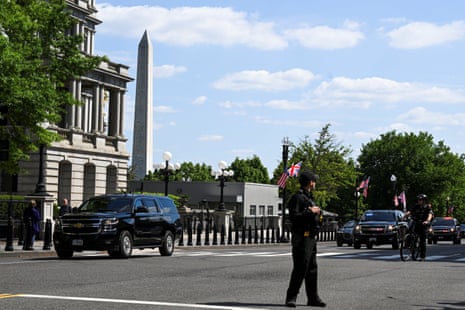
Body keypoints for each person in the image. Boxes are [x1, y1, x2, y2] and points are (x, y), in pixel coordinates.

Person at [285, 171, 326, 308]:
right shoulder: (297, 198)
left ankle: (313, 298)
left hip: (311, 237)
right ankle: (291, 297)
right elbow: (293, 217)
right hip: (302, 237)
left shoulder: (309, 198)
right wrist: (310, 212)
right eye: (314, 181)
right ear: (310, 182)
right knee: (300, 268)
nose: (315, 183)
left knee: (312, 269)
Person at [403, 194, 433, 261]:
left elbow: (430, 215)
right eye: (418, 200)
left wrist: (427, 221)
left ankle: (422, 256)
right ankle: (410, 250)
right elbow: (410, 211)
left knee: (422, 241)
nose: (419, 201)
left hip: (423, 224)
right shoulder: (416, 206)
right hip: (416, 222)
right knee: (411, 235)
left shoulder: (427, 207)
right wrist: (404, 216)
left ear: (424, 200)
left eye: (421, 200)